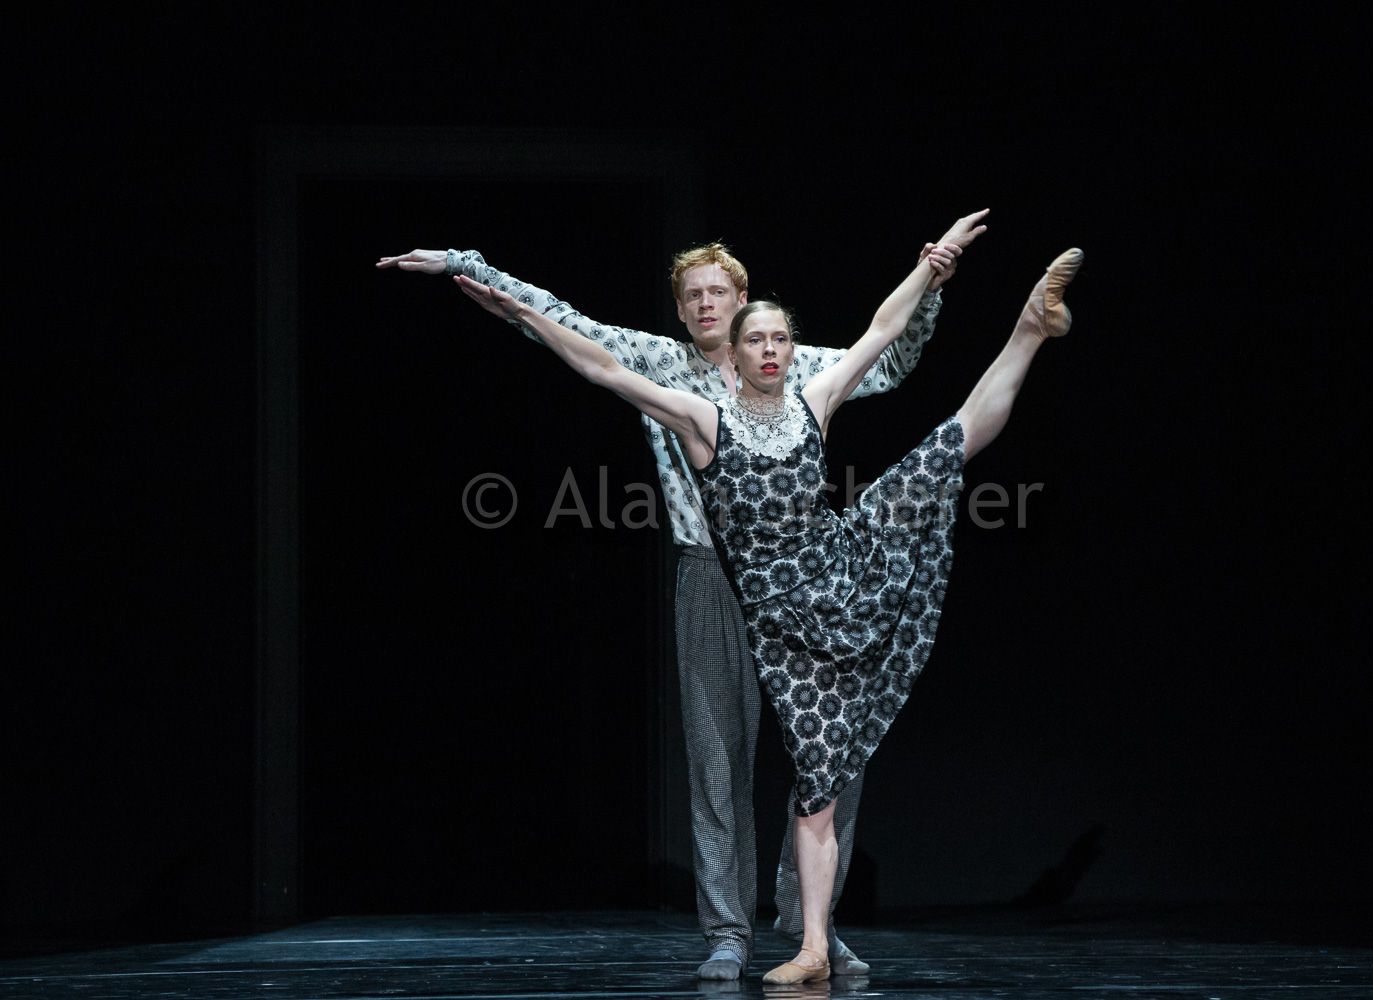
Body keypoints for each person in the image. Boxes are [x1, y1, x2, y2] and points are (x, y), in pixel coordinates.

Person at [449, 220, 1083, 983]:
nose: (762, 344)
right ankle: (731, 931)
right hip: (730, 587)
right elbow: (593, 354)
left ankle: (813, 929)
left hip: (829, 580)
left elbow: (885, 338)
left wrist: (930, 273)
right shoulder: (692, 399)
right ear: (709, 328)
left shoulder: (806, 383)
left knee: (949, 452)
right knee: (722, 762)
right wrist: (508, 301)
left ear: (761, 319)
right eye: (703, 302)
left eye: (763, 327)